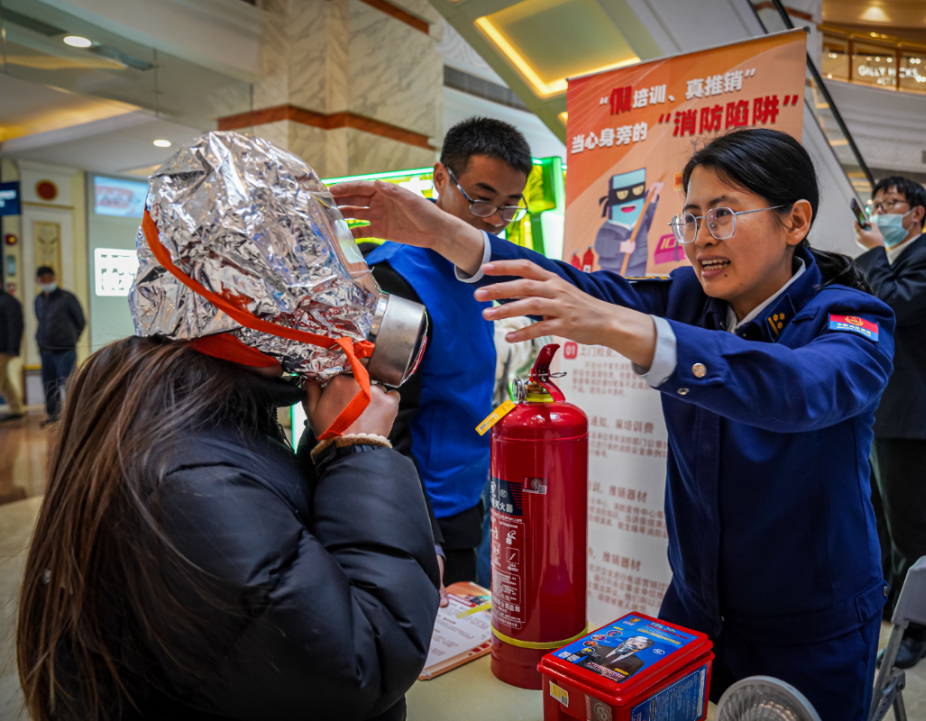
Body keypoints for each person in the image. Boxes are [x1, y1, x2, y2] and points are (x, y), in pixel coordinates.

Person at [333, 128, 897, 721]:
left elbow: (801, 389)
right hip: (693, 612)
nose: (702, 240)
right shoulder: (689, 299)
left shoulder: (851, 316)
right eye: (693, 218)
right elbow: (573, 286)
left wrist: (624, 328)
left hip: (809, 628)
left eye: (724, 216)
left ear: (795, 221)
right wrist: (444, 233)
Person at [17, 132, 440, 721]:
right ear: (250, 304)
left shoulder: (194, 410)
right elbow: (362, 659)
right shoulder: (185, 478)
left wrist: (333, 448)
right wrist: (361, 451)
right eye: (309, 279)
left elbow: (291, 562)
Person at [360, 117, 532, 598]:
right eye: (480, 198)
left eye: (508, 207)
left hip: (470, 492)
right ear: (440, 178)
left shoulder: (484, 273)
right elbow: (382, 427)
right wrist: (429, 541)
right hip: (420, 511)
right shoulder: (397, 283)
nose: (493, 219)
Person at [854, 176, 926, 670]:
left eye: (889, 204)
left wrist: (874, 252)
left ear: (915, 213)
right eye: (876, 205)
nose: (879, 213)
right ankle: (888, 608)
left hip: (911, 414)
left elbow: (894, 306)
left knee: (910, 529)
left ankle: (917, 631)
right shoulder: (883, 261)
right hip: (875, 410)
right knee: (877, 521)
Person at [33, 266, 85, 425]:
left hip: (65, 350)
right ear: (38, 281)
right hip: (45, 350)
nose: (46, 282)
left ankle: (75, 417)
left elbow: (80, 321)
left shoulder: (67, 297)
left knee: (69, 384)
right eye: (43, 279)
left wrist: (71, 339)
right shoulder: (38, 300)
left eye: (49, 278)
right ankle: (53, 416)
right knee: (49, 385)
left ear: (55, 278)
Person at [0, 285, 25, 422]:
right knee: (4, 381)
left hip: (3, 349)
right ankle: (16, 410)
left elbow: (15, 326)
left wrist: (13, 348)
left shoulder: (9, 301)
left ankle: (16, 410)